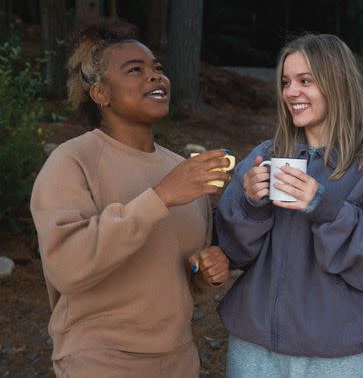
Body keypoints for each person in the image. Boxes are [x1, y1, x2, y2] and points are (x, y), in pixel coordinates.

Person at [215, 34, 363, 377]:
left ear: (337, 84)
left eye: (305, 81)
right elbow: (229, 252)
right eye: (286, 82)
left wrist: (326, 209)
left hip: (340, 352)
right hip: (255, 348)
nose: (290, 92)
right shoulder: (264, 156)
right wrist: (250, 204)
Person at [30, 19, 231, 377]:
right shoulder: (72, 160)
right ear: (100, 94)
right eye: (134, 70)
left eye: (157, 68)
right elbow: (67, 268)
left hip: (178, 359)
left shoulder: (180, 169)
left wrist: (205, 270)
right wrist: (162, 196)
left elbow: (181, 274)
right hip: (100, 360)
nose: (155, 77)